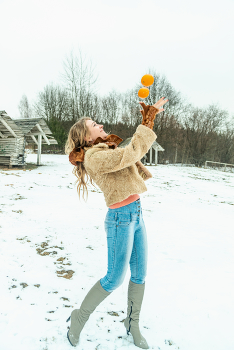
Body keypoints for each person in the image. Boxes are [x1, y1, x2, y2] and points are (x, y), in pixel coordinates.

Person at [65, 97, 168, 349]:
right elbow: (131, 153)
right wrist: (149, 120)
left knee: (140, 275)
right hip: (120, 219)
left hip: (136, 214)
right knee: (113, 279)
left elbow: (129, 150)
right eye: (94, 124)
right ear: (87, 137)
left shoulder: (106, 149)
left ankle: (132, 324)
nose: (100, 125)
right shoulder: (93, 157)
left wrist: (147, 118)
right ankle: (79, 317)